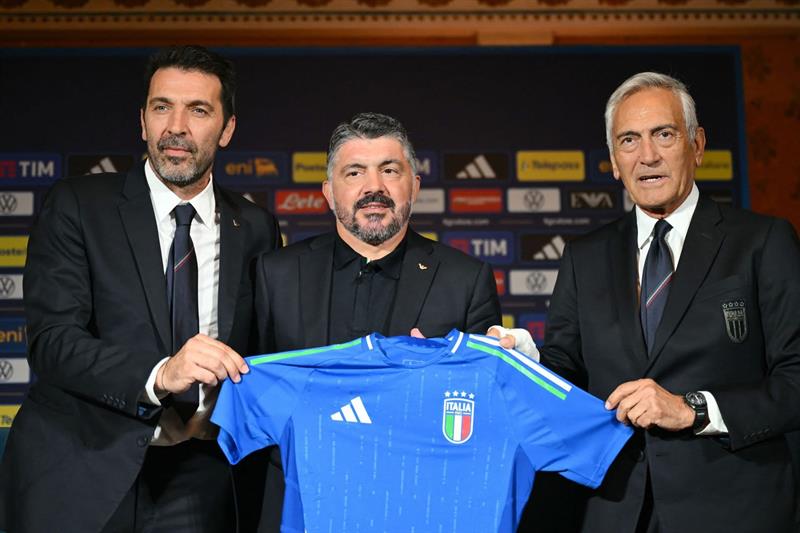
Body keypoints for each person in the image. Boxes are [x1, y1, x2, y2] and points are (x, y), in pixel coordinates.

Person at [0, 45, 281, 533]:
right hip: (82, 466)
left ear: (227, 128)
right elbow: (53, 342)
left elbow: (271, 349)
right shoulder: (77, 205)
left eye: (198, 110)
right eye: (161, 107)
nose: (176, 126)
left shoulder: (256, 226)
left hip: (201, 478)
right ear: (143, 122)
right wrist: (161, 374)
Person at [534, 72, 800, 532]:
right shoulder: (583, 257)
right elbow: (565, 373)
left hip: (733, 511)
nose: (648, 155)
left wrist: (693, 409)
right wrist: (521, 361)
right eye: (629, 140)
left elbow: (795, 379)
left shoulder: (762, 242)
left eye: (664, 134)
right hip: (614, 511)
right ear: (614, 161)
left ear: (697, 145)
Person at [253, 112, 503, 530]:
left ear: (414, 186)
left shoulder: (466, 279)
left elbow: (486, 416)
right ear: (329, 192)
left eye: (390, 170)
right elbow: (254, 397)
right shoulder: (275, 273)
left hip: (417, 508)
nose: (374, 187)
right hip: (301, 508)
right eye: (355, 172)